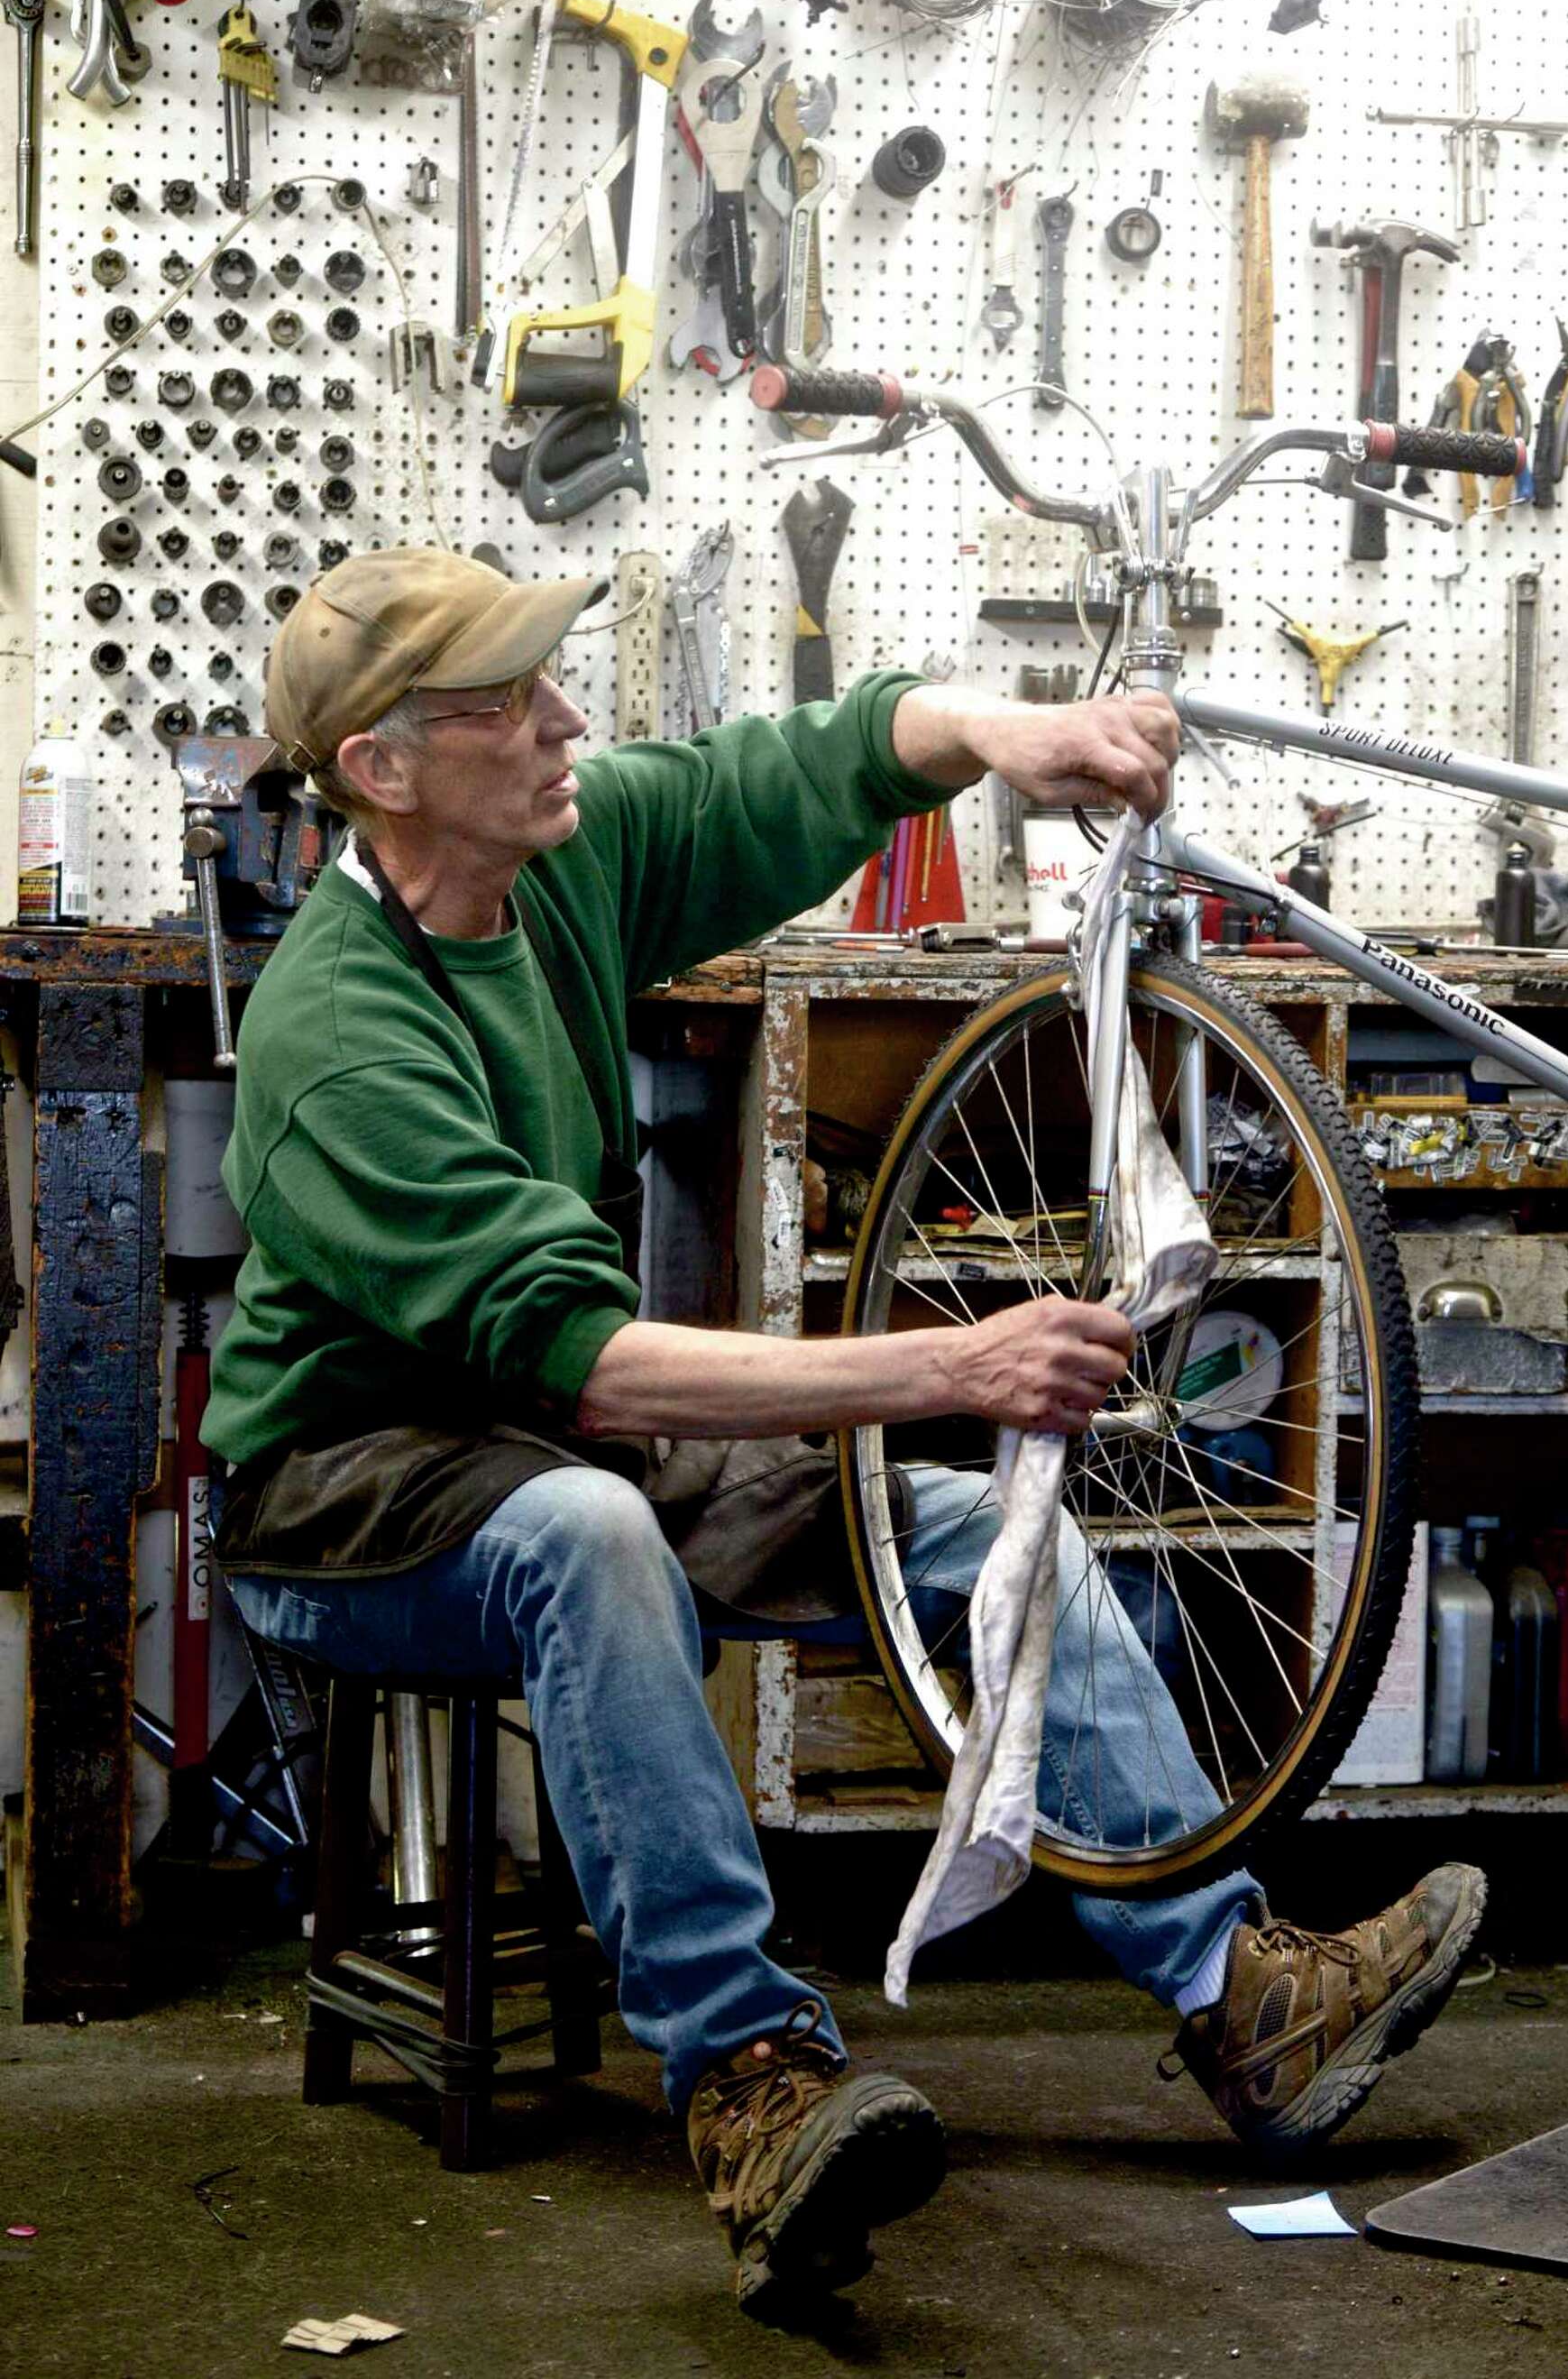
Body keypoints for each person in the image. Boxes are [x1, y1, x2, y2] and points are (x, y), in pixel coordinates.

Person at [208, 548, 1486, 2320]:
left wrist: (1002, 729)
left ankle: (1240, 1994)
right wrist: (945, 1362)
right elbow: (594, 1369)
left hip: (571, 1439)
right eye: (508, 700)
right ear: (382, 767)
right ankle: (751, 2083)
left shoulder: (557, 859)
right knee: (591, 1530)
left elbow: (793, 764)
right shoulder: (341, 1039)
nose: (568, 716)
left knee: (959, 1521)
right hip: (352, 1494)